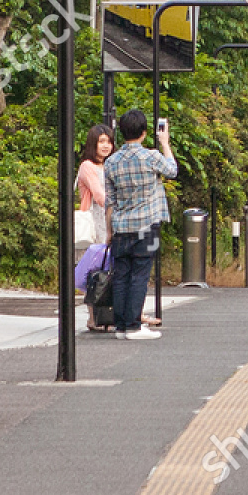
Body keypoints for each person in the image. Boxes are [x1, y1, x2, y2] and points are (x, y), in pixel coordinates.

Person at [104, 110, 176, 341]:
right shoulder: (151, 157)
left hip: (121, 227)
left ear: (120, 133)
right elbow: (172, 170)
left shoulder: (111, 162)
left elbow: (110, 201)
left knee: (122, 274)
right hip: (148, 225)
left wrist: (109, 231)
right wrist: (165, 143)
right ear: (144, 133)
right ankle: (135, 326)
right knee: (140, 275)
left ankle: (122, 325)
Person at [75, 124, 113, 331]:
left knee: (107, 271)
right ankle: (93, 318)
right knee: (94, 273)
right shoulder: (87, 166)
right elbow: (99, 197)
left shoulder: (109, 165)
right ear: (93, 144)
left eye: (108, 141)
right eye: (101, 141)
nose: (106, 146)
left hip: (108, 221)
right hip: (95, 221)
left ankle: (105, 316)